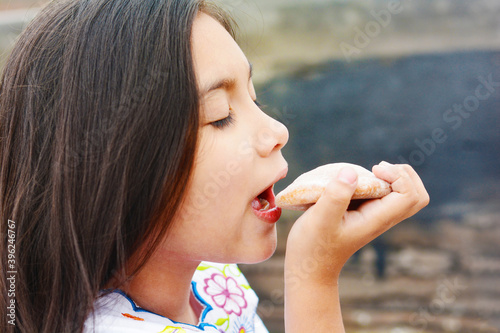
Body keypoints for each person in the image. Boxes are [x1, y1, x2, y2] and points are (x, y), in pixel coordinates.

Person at [0, 0, 429, 332]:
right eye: (220, 113)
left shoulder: (212, 280)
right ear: (116, 165)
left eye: (255, 99)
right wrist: (312, 277)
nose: (277, 130)